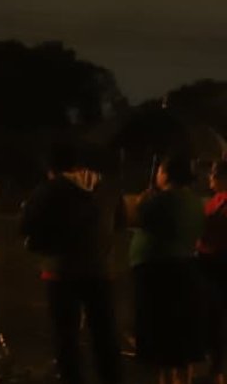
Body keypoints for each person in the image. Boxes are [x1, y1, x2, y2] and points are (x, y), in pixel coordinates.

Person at [20, 140, 125, 384]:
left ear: (51, 168)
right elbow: (120, 223)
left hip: (61, 273)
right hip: (100, 270)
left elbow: (25, 226)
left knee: (66, 338)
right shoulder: (108, 187)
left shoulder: (48, 190)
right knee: (105, 335)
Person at [130, 154, 206, 384]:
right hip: (184, 269)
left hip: (159, 273)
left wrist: (143, 200)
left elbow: (138, 216)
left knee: (162, 336)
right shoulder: (193, 200)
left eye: (160, 171)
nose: (157, 175)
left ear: (167, 174)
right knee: (180, 335)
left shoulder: (161, 200)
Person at [199, 159, 227, 384]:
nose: (210, 179)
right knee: (211, 316)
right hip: (208, 262)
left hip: (220, 263)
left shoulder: (223, 204)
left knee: (217, 317)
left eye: (213, 175)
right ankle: (214, 365)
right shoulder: (215, 200)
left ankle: (217, 369)